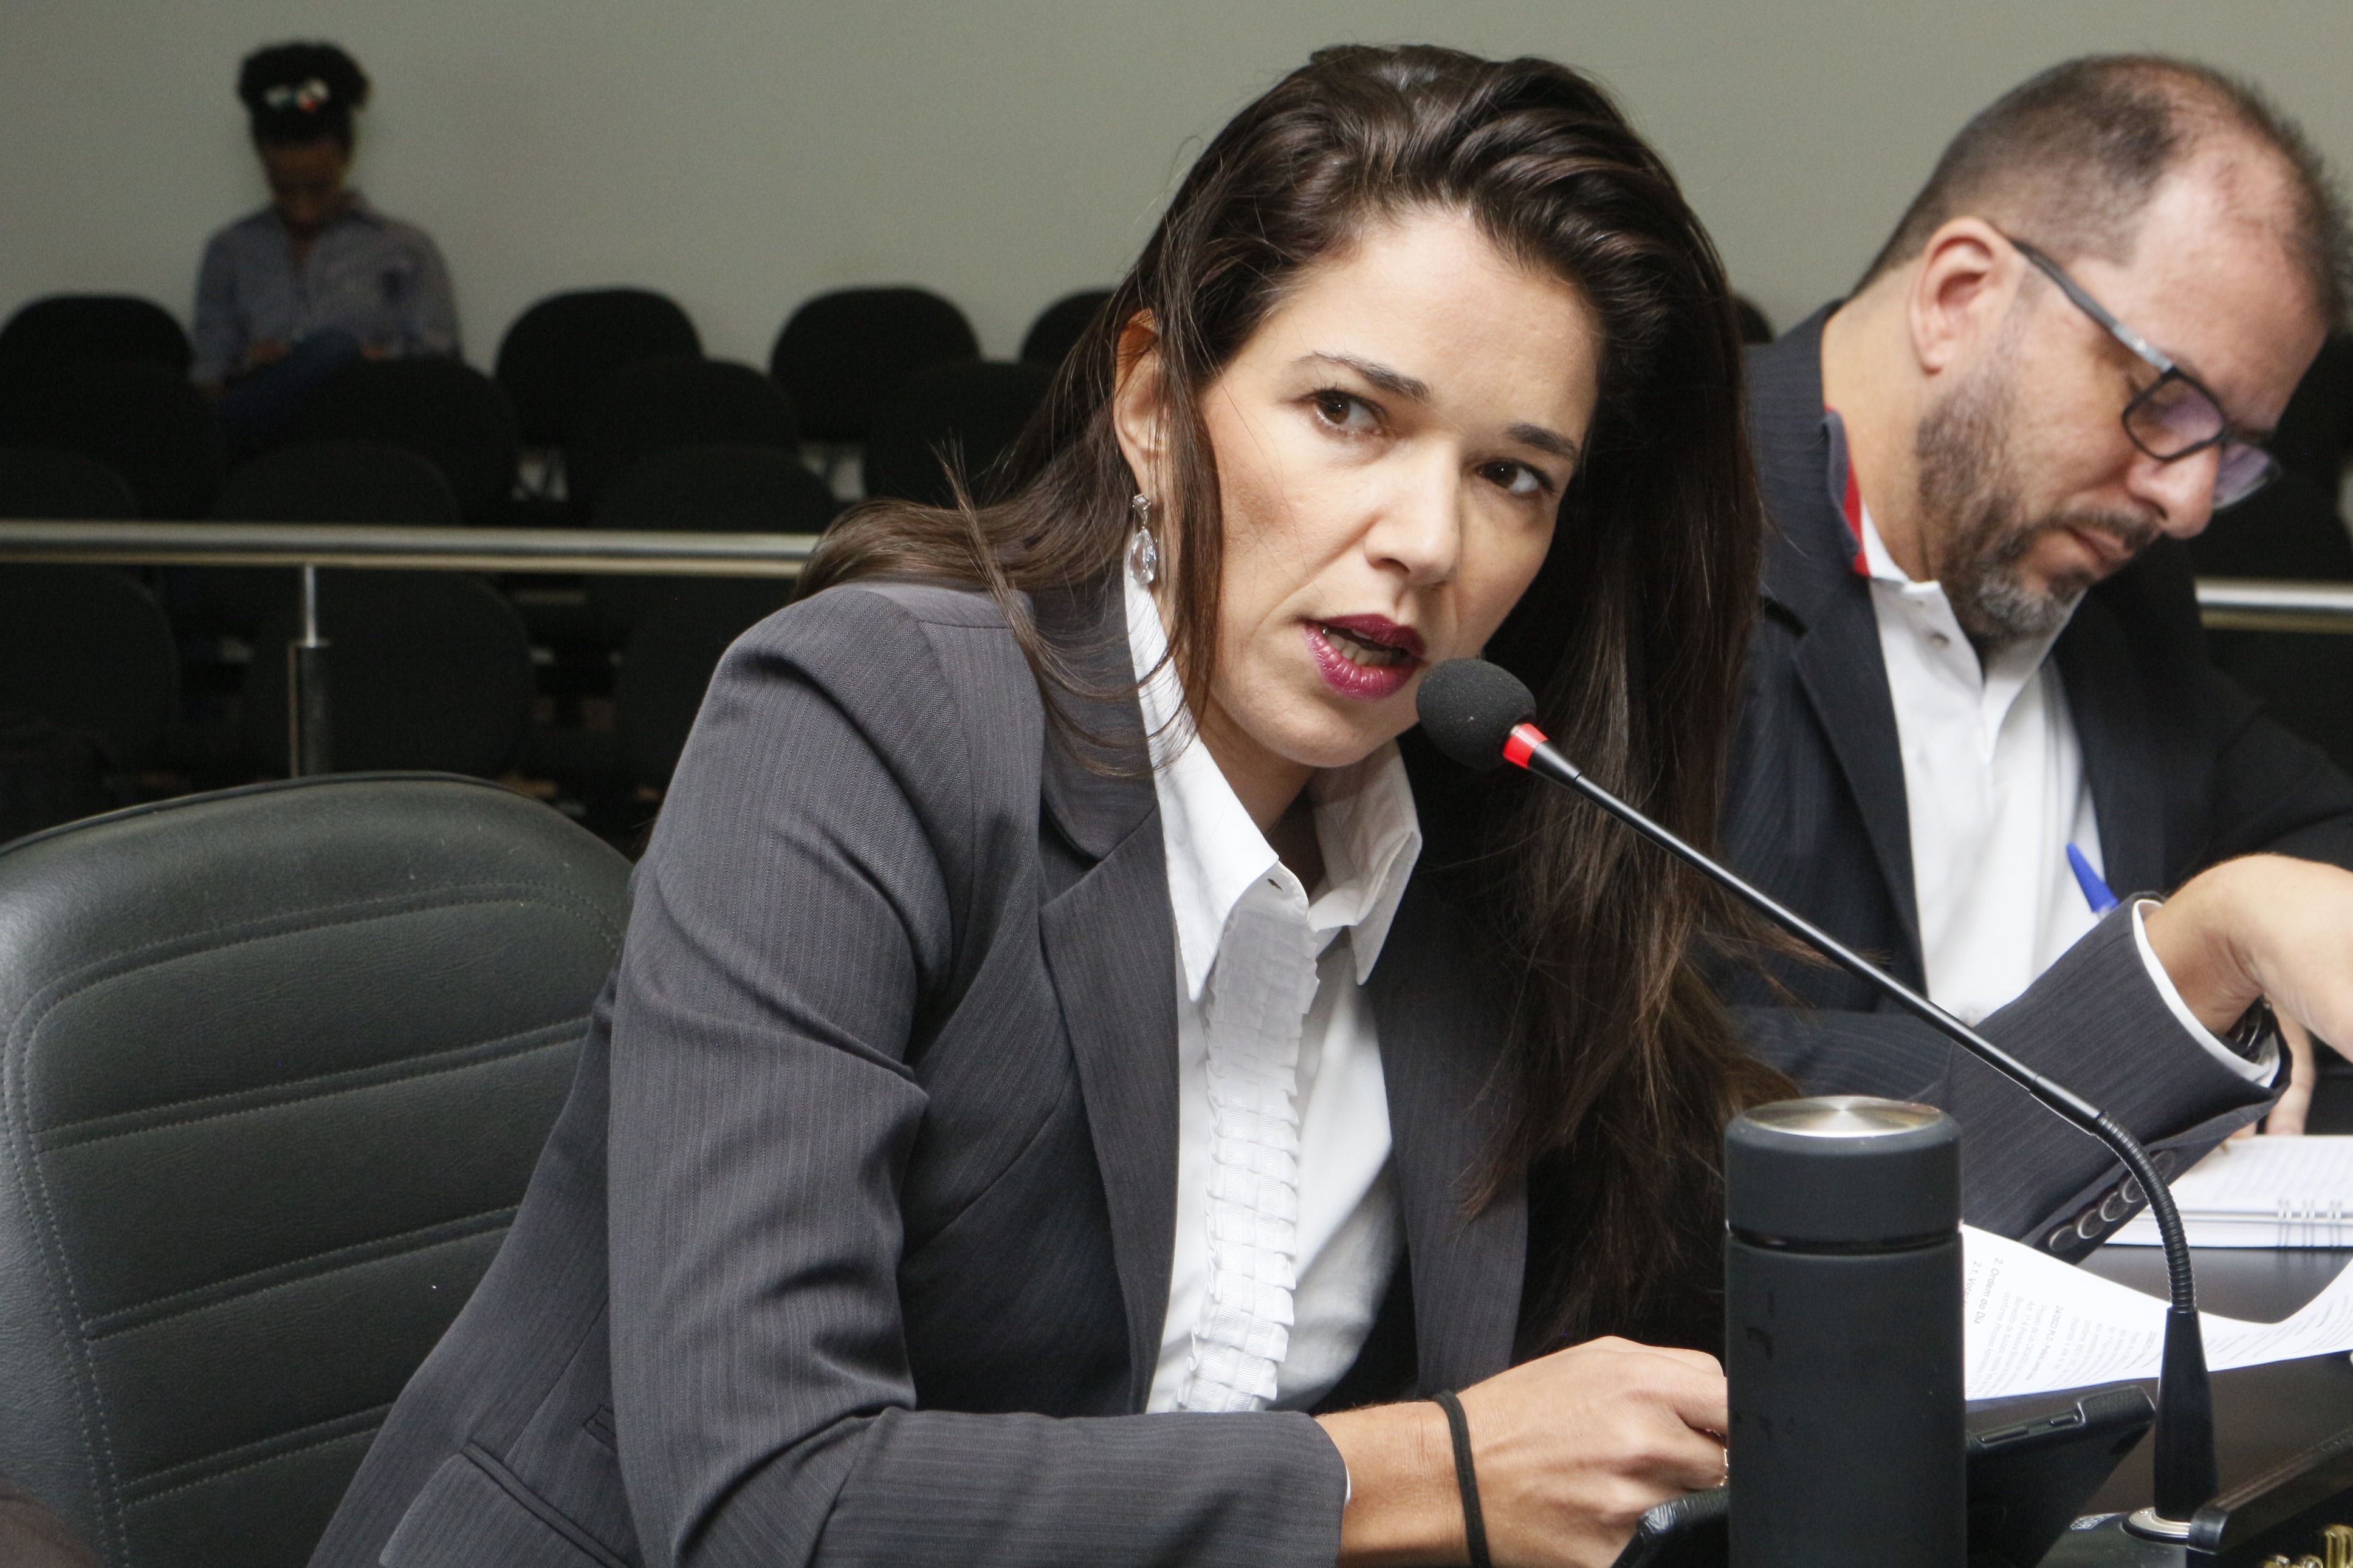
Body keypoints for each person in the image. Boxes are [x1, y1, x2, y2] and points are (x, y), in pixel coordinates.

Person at [310, 47, 2353, 1568]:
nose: (1422, 541)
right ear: (1152, 405)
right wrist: (1436, 1472)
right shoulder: (866, 724)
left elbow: (1780, 1203)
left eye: (1513, 475)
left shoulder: (1471, 835)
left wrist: (2196, 954)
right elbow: (776, 1499)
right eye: (1347, 414)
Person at [1722, 56, 2353, 1161]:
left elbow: (2313, 839)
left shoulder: (2116, 591)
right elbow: (1621, 1057)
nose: (2188, 506)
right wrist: (2164, 1005)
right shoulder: (1655, 526)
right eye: (2168, 403)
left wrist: (2263, 963)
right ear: (1960, 295)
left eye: (2234, 453)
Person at [191, 41, 458, 451]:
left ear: (346, 159)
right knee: (325, 357)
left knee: (336, 350)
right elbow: (207, 377)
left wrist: (372, 361)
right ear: (263, 164)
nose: (302, 209)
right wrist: (252, 362)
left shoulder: (405, 248)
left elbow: (443, 374)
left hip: (374, 434)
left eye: (318, 188)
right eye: (285, 189)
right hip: (263, 443)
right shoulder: (230, 251)